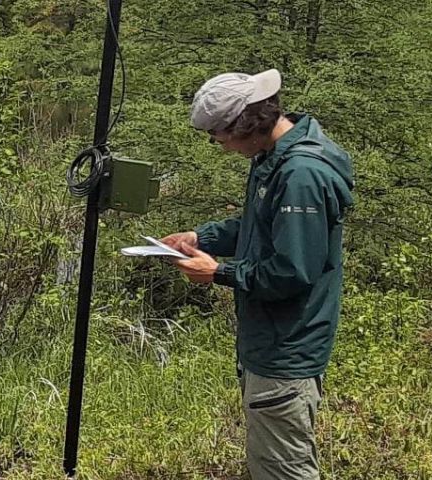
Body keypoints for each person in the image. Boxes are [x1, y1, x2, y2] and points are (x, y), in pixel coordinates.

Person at [160, 69, 353, 479]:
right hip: (270, 341)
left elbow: (291, 272)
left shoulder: (301, 175)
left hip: (286, 349)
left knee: (284, 470)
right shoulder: (274, 157)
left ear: (245, 125)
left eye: (219, 137)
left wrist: (219, 273)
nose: (221, 146)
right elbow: (259, 226)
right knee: (269, 463)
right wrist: (200, 238)